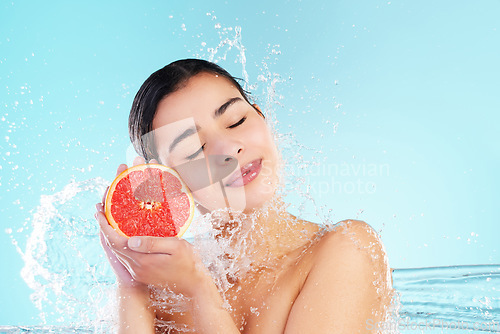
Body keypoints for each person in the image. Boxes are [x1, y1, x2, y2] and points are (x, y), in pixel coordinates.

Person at [94, 59, 394, 333]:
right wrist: (132, 285)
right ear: (166, 184)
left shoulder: (348, 249)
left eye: (236, 120)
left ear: (262, 117)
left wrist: (202, 293)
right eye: (194, 150)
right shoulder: (167, 297)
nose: (229, 149)